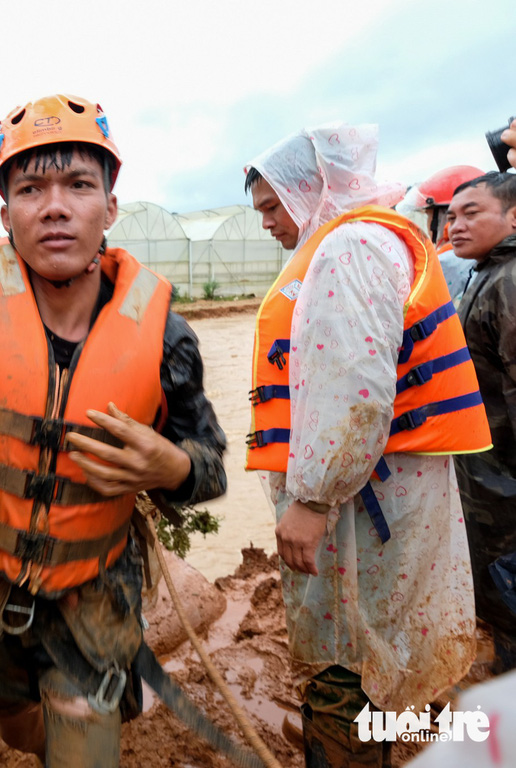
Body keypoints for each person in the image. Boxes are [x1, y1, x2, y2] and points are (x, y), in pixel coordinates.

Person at [0, 93, 227, 767]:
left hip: (94, 592)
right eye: (31, 188)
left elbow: (209, 469)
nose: (55, 206)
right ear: (5, 214)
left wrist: (172, 467)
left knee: (80, 743)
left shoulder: (164, 332)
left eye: (79, 185)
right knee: (16, 725)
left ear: (110, 207)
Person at [244, 124, 490, 768]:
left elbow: (350, 387)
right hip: (392, 491)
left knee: (346, 662)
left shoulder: (347, 248)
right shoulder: (372, 236)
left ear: (312, 189)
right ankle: (414, 751)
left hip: (361, 504)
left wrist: (311, 497)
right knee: (399, 652)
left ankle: (350, 753)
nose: (268, 223)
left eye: (273, 206)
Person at [447, 171, 516, 672]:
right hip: (487, 480)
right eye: (450, 216)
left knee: (508, 589)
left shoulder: (511, 280)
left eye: (472, 213)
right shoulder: (487, 271)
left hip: (505, 488)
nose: (456, 226)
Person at [404, 165, 484, 302]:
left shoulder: (447, 261)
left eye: (428, 216)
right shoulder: (486, 250)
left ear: (442, 217)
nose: (427, 224)